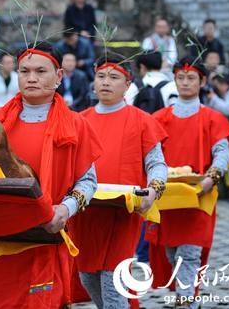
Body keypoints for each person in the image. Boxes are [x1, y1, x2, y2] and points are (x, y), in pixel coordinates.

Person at [0, 42, 102, 308]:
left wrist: (66, 208)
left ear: (59, 76)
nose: (31, 78)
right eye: (24, 71)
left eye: (40, 71)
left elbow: (88, 182)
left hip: (49, 235)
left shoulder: (76, 124)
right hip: (2, 241)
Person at [72, 52, 167, 309]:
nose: (105, 82)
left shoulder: (142, 120)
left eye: (114, 77)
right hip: (86, 212)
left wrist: (154, 189)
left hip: (123, 212)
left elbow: (156, 163)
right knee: (87, 276)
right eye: (101, 76)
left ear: (127, 85)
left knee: (112, 279)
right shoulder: (80, 121)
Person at [147, 57, 229, 309]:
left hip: (199, 194)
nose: (185, 82)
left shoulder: (212, 118)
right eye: (181, 78)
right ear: (175, 80)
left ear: (203, 81)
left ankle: (187, 302)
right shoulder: (160, 118)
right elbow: (149, 154)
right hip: (167, 198)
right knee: (171, 252)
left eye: (191, 78)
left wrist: (212, 176)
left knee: (190, 253)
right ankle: (184, 297)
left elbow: (222, 152)